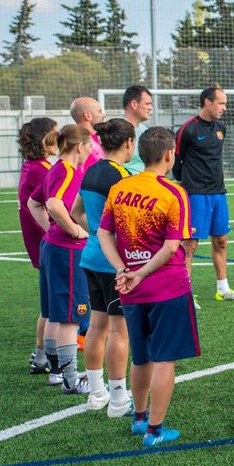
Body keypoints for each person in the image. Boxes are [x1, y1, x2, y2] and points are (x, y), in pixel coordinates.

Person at [98, 126, 200, 447]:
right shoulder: (173, 193)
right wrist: (140, 273)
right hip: (166, 286)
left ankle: (140, 418)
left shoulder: (120, 188)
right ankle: (155, 430)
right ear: (170, 154)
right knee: (164, 358)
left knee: (140, 356)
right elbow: (172, 247)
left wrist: (123, 269)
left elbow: (103, 233)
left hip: (130, 288)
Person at [28, 124, 93, 394]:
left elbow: (34, 203)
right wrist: (75, 231)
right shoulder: (68, 171)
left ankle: (57, 373)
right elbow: (53, 204)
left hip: (52, 246)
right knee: (70, 317)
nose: (90, 152)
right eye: (89, 147)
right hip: (67, 250)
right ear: (80, 146)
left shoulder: (55, 168)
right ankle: (70, 379)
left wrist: (52, 230)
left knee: (54, 314)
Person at [78, 119, 136, 416]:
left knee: (97, 326)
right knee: (118, 330)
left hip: (91, 256)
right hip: (113, 262)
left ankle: (96, 393)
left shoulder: (91, 170)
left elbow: (76, 211)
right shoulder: (122, 177)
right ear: (129, 143)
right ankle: (117, 400)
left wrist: (95, 232)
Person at [174, 86, 234, 306]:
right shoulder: (188, 129)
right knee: (190, 246)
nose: (224, 108)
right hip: (196, 194)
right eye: (221, 103)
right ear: (208, 102)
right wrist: (187, 184)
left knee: (221, 241)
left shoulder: (220, 128)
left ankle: (223, 289)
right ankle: (185, 294)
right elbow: (177, 161)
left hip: (218, 193)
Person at [18, 117, 59, 375]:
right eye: (56, 134)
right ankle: (56, 365)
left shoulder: (34, 166)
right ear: (45, 139)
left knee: (50, 305)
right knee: (54, 307)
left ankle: (42, 356)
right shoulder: (42, 170)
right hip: (49, 242)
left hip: (42, 242)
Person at [122, 85, 153, 175]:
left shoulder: (146, 132)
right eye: (147, 104)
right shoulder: (115, 131)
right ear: (134, 104)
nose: (151, 108)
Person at [70, 97, 106, 172]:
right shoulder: (80, 143)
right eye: (100, 111)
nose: (103, 115)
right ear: (88, 116)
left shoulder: (98, 139)